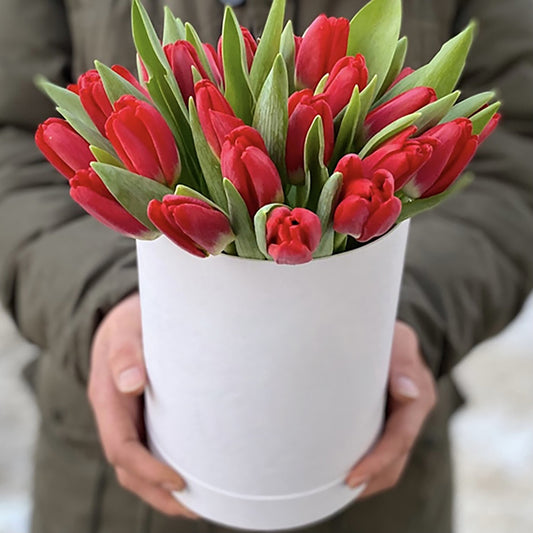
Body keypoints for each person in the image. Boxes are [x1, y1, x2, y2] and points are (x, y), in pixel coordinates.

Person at [0, 0, 532, 532]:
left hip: (379, 474)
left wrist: (410, 307)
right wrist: (97, 300)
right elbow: (11, 136)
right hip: (105, 483)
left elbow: (517, 151)